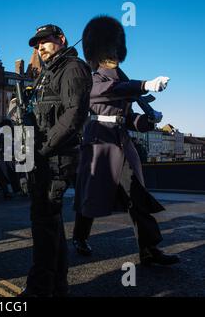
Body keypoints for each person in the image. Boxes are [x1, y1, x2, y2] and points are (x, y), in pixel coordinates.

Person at [73, 16, 180, 266]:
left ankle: (149, 249)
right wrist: (145, 85)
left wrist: (148, 120)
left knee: (137, 194)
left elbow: (127, 116)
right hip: (99, 142)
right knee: (91, 195)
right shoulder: (93, 78)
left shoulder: (121, 77)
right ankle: (80, 236)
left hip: (122, 141)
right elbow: (108, 92)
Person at [19, 24, 92, 297]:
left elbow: (74, 114)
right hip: (43, 157)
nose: (40, 48)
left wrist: (43, 149)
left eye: (45, 42)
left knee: (43, 225)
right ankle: (57, 286)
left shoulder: (72, 68)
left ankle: (38, 290)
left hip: (55, 158)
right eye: (37, 45)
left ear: (61, 39)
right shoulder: (47, 74)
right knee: (51, 224)